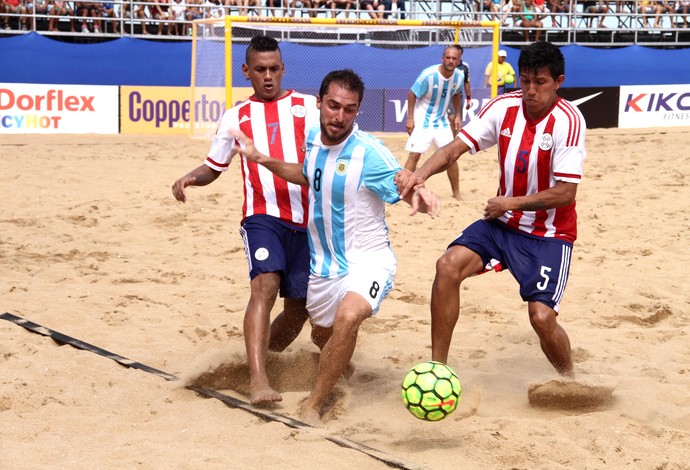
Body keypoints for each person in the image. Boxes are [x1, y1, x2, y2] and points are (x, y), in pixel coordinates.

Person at [232, 69, 441, 427]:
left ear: (357, 111)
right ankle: (331, 366)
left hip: (369, 262)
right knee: (323, 335)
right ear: (320, 104)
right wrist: (262, 158)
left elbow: (400, 182)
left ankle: (313, 404)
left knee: (348, 318)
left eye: (349, 109)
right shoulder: (313, 137)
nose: (339, 116)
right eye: (333, 106)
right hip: (324, 268)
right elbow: (307, 173)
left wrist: (418, 191)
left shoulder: (369, 152)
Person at [397, 41, 586, 380]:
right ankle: (437, 369)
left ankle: (569, 381)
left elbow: (566, 192)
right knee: (447, 266)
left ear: (558, 81)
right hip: (503, 224)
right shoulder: (504, 107)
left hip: (548, 234)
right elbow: (454, 148)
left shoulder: (569, 121)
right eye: (525, 80)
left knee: (541, 319)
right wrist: (419, 175)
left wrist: (509, 202)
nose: (530, 90)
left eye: (539, 82)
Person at [171, 35, 319, 405]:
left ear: (283, 69)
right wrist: (192, 176)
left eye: (273, 69)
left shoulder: (308, 107)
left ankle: (255, 359)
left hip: (310, 222)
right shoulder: (235, 116)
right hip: (262, 216)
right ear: (246, 71)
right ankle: (258, 380)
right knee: (264, 286)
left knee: (298, 310)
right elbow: (214, 167)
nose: (267, 76)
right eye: (260, 70)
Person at [404, 45, 466, 201]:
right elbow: (412, 94)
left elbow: (457, 94)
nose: (451, 61)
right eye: (448, 58)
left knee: (452, 156)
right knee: (414, 156)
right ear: (442, 58)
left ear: (459, 60)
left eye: (454, 58)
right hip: (422, 119)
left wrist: (458, 115)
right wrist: (410, 118)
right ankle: (401, 192)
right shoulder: (428, 75)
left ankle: (457, 194)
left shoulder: (459, 76)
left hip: (441, 121)